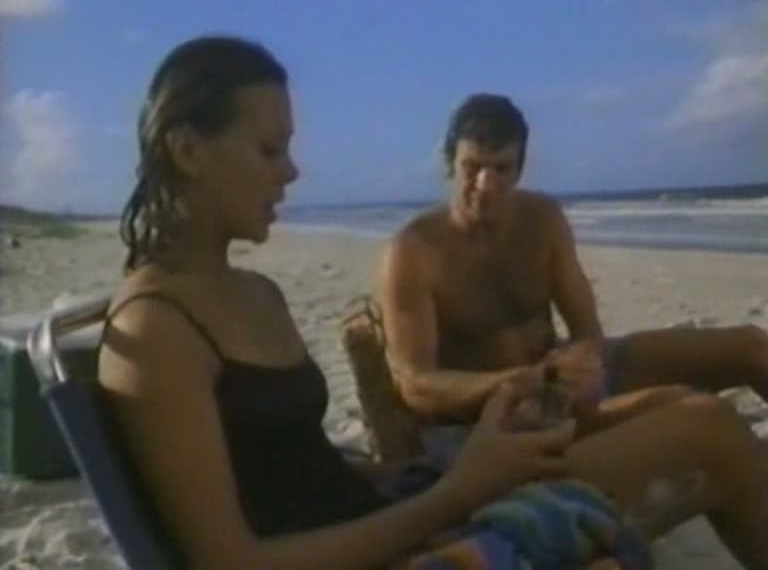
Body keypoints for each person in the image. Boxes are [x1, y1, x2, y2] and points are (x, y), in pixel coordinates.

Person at [98, 37, 768, 570]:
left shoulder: (252, 293)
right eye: (270, 149)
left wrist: (432, 472)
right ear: (188, 150)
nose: (293, 171)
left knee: (700, 417)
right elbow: (230, 562)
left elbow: (301, 471)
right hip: (398, 541)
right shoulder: (157, 332)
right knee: (705, 431)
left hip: (394, 509)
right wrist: (459, 489)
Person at [376, 93, 768, 432]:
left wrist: (584, 362)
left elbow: (586, 327)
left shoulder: (542, 220)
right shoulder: (414, 251)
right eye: (472, 167)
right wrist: (523, 381)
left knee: (751, 346)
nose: (485, 184)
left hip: (560, 382)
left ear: (519, 169)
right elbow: (417, 386)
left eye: (501, 168)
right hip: (489, 414)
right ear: (449, 164)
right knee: (692, 414)